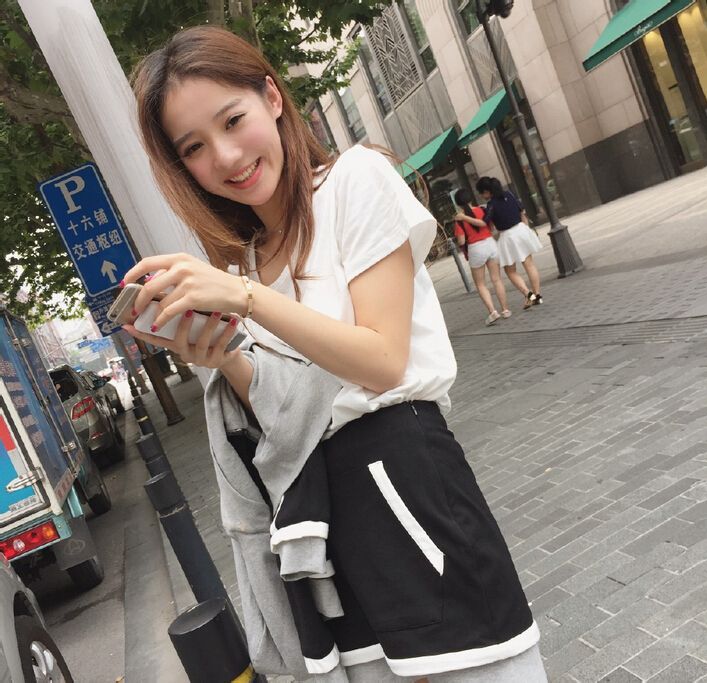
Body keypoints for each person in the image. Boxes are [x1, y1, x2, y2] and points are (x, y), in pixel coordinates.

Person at [122, 26, 545, 682]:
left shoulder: (354, 180)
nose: (227, 156)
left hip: (406, 478)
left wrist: (246, 300)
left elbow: (382, 360)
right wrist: (220, 355)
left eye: (232, 120)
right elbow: (287, 413)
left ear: (272, 97)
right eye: (194, 148)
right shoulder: (248, 262)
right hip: (321, 519)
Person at [475, 177, 543, 310]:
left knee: (510, 271)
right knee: (529, 264)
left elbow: (485, 223)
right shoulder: (509, 194)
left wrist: (465, 217)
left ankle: (529, 295)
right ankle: (537, 295)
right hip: (521, 230)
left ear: (487, 192)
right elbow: (522, 211)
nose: (482, 196)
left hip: (508, 236)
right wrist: (526, 228)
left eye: (481, 193)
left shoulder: (491, 205)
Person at [453, 188, 510, 326]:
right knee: (497, 279)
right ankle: (505, 310)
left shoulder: (459, 219)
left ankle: (492, 312)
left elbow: (461, 241)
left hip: (476, 249)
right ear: (470, 198)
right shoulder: (483, 210)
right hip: (491, 244)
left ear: (458, 203)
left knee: (480, 284)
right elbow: (491, 227)